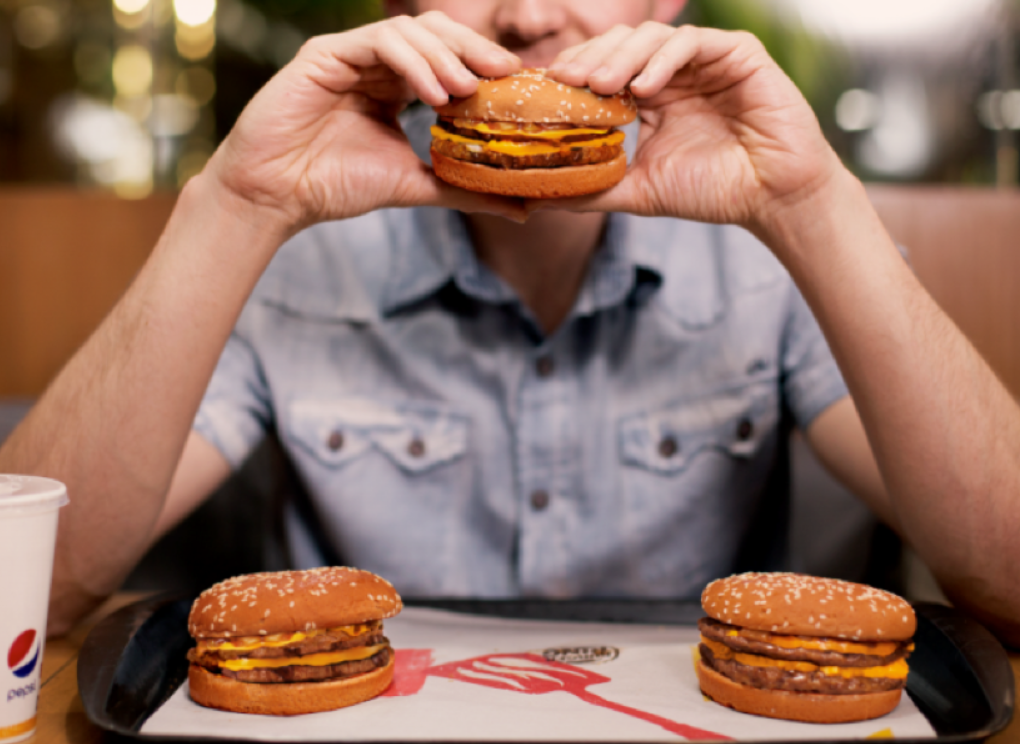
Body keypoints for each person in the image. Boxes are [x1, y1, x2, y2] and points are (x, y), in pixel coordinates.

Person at [2, 0, 1019, 645]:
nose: (530, 16)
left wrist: (808, 206)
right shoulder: (292, 258)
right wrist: (238, 206)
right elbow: (20, 604)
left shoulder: (775, 255)